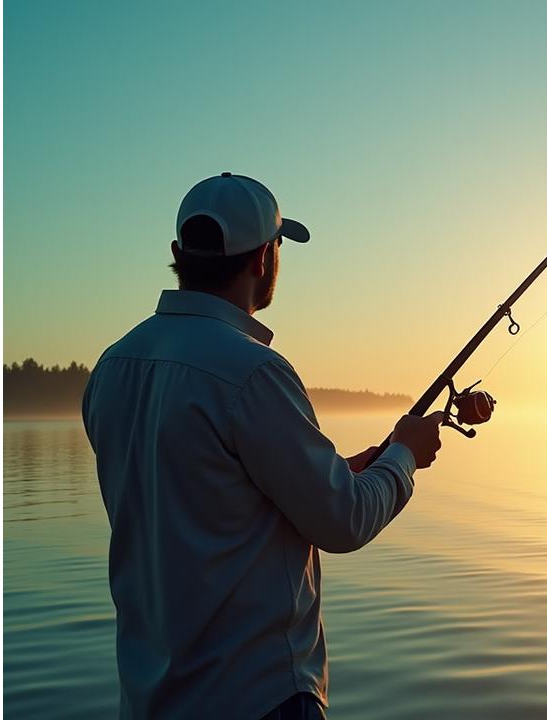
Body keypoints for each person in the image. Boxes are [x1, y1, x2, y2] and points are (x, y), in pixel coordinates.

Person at [82, 172, 444, 720]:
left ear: (178, 255)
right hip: (258, 698)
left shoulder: (112, 367)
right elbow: (343, 522)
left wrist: (337, 472)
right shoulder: (253, 372)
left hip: (150, 700)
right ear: (262, 260)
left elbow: (202, 495)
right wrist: (404, 456)